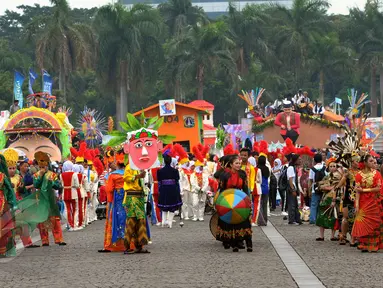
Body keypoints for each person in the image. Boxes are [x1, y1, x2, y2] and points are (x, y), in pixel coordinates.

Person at [216, 155, 252, 252]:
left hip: (240, 199)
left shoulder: (242, 174)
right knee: (230, 220)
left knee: (243, 219)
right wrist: (220, 202)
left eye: (239, 163)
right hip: (227, 200)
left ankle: (247, 242)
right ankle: (232, 243)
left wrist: (247, 200)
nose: (238, 165)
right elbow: (221, 189)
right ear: (231, 164)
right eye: (236, 163)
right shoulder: (224, 175)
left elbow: (245, 188)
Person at [34, 152, 66, 246]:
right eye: (40, 167)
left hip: (51, 198)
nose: (42, 168)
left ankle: (58, 239)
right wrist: (40, 175)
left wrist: (52, 183)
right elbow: (36, 185)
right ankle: (44, 240)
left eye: (44, 166)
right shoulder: (36, 175)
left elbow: (58, 186)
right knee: (42, 220)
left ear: (47, 165)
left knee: (55, 219)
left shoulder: (52, 175)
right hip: (40, 198)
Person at [353, 155, 382, 252]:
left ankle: (373, 245)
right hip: (363, 202)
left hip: (373, 201)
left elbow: (378, 188)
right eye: (370, 161)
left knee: (374, 223)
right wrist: (356, 204)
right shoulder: (358, 175)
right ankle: (363, 244)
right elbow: (357, 191)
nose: (373, 163)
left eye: (373, 161)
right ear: (365, 163)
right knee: (363, 222)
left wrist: (364, 190)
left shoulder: (377, 174)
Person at [98, 160, 126, 252]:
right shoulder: (129, 173)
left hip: (117, 197)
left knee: (116, 216)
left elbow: (109, 189)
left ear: (117, 165)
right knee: (126, 216)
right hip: (128, 196)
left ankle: (116, 240)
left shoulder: (113, 175)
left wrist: (109, 201)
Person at [123, 163, 149, 254]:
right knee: (131, 221)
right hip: (132, 196)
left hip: (140, 197)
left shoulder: (140, 166)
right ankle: (127, 246)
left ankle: (139, 245)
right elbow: (126, 178)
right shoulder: (129, 166)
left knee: (141, 221)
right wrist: (137, 176)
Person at [315, 159, 342, 241]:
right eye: (331, 166)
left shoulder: (339, 177)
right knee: (321, 216)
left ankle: (332, 236)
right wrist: (324, 187)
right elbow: (320, 186)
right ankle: (321, 236)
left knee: (333, 217)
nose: (332, 168)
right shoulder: (326, 177)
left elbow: (334, 188)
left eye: (334, 166)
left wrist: (325, 187)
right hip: (325, 198)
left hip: (334, 198)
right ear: (328, 168)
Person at [158, 152, 183, 227]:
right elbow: (177, 179)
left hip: (163, 188)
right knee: (172, 205)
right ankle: (170, 223)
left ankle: (163, 222)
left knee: (164, 205)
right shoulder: (175, 171)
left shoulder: (160, 171)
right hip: (172, 188)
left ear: (164, 161)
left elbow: (159, 180)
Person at [0, 154, 17, 257]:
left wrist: (13, 204)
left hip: (2, 203)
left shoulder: (2, 176)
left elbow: (10, 191)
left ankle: (2, 250)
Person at [60, 161, 80, 231]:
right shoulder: (74, 174)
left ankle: (69, 224)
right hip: (73, 192)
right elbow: (77, 185)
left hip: (65, 193)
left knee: (67, 209)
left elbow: (62, 184)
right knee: (75, 209)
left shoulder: (61, 175)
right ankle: (74, 225)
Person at [308, 153, 326, 224]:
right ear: (321, 160)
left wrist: (309, 190)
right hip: (324, 188)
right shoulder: (325, 167)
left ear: (314, 160)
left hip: (314, 189)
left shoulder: (312, 169)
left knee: (313, 205)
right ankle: (321, 219)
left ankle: (313, 219)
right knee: (322, 204)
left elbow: (310, 180)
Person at [287, 154, 303, 225]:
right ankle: (292, 220)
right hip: (291, 189)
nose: (300, 160)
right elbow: (290, 180)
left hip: (294, 188)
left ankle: (297, 219)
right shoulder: (290, 168)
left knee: (295, 205)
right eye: (299, 159)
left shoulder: (294, 167)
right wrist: (293, 189)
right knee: (292, 205)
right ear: (295, 160)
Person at [257, 155, 270, 226]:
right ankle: (265, 219)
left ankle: (260, 220)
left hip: (259, 188)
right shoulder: (267, 169)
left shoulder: (257, 168)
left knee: (259, 205)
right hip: (266, 188)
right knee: (265, 204)